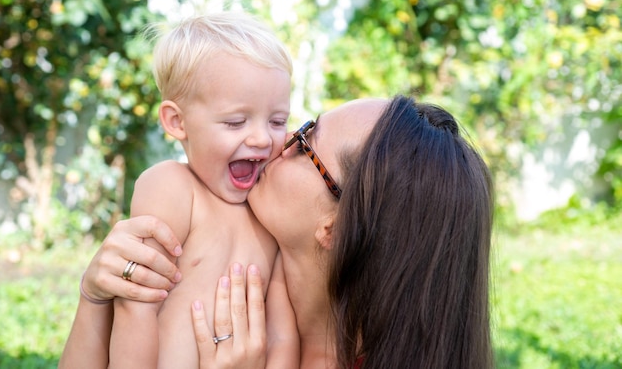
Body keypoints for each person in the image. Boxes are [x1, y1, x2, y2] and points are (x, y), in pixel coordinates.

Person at [61, 95, 494, 369]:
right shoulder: (231, 265)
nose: (277, 141)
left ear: (336, 227)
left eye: (305, 141)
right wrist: (96, 297)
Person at [63, 11, 298, 369]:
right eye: (236, 122)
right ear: (177, 122)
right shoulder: (172, 187)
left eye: (278, 121)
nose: (262, 138)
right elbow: (135, 304)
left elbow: (282, 333)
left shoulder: (270, 210)